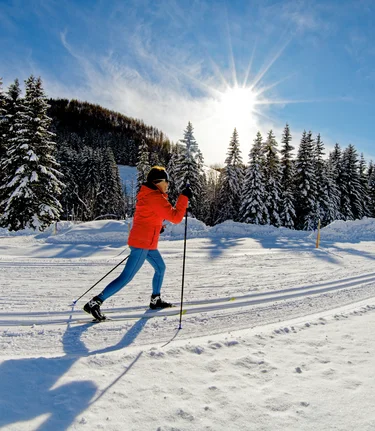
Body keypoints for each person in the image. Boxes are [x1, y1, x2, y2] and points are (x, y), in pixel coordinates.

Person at [83, 166, 192, 321]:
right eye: (166, 181)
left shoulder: (150, 195)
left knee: (160, 268)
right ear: (158, 182)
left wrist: (158, 227)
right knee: (126, 277)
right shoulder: (154, 197)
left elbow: (147, 216)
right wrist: (184, 198)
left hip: (147, 242)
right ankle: (95, 302)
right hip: (142, 243)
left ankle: (155, 300)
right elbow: (175, 217)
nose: (168, 184)